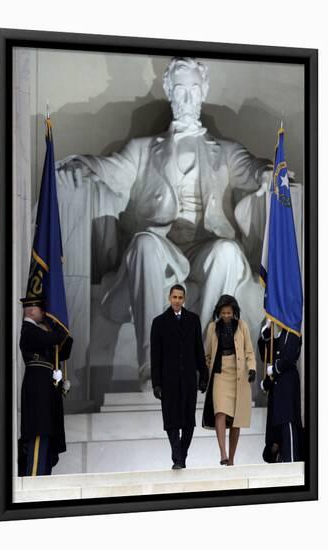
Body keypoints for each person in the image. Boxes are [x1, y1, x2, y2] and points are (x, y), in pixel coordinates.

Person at [57, 57, 273, 390]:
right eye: (180, 90)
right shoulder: (144, 149)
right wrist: (83, 165)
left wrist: (268, 173)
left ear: (204, 92)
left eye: (194, 90)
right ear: (170, 93)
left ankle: (199, 358)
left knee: (229, 252)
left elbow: (253, 167)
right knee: (143, 242)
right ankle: (152, 366)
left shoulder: (226, 151)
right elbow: (110, 169)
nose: (187, 99)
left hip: (206, 249)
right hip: (163, 248)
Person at [150, 284, 208, 469]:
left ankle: (182, 454)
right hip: (169, 381)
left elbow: (199, 350)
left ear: (184, 299)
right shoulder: (159, 322)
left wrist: (203, 376)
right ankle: (177, 457)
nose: (177, 301)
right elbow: (155, 356)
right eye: (174, 297)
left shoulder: (193, 320)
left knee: (189, 421)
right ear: (169, 298)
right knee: (172, 420)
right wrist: (156, 383)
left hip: (189, 379)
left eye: (180, 297)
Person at [18, 296, 73, 476]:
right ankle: (35, 478)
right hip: (37, 391)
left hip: (45, 392)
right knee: (39, 434)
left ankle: (42, 475)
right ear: (33, 310)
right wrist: (56, 322)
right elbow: (56, 337)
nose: (45, 316)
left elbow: (63, 347)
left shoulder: (38, 333)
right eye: (44, 312)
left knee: (47, 436)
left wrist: (61, 329)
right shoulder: (29, 331)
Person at [202, 295, 256, 465]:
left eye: (229, 313)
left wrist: (252, 368)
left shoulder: (242, 326)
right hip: (219, 373)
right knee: (220, 412)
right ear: (219, 312)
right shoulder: (212, 327)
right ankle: (223, 454)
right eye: (223, 313)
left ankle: (232, 458)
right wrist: (205, 375)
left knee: (236, 420)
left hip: (238, 374)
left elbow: (249, 351)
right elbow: (208, 355)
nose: (226, 315)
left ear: (234, 313)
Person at [258, 322, 303, 463]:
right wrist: (267, 331)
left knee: (287, 420)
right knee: (276, 423)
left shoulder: (292, 332)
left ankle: (291, 458)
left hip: (287, 384)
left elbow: (288, 358)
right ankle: (280, 458)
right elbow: (266, 354)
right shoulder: (280, 334)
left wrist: (275, 368)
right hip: (277, 386)